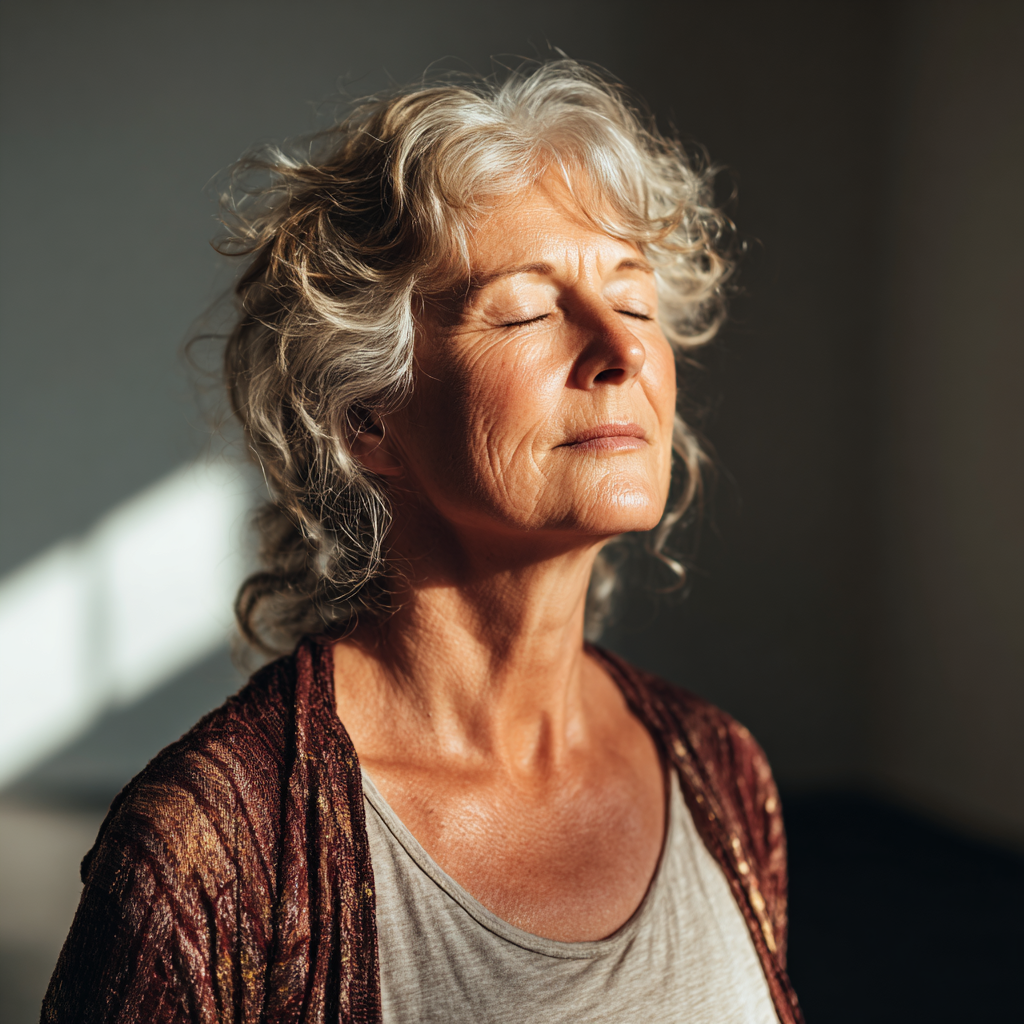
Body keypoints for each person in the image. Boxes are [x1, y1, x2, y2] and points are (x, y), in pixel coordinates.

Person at [42, 61, 802, 1023]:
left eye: (635, 302)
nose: (621, 350)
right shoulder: (206, 857)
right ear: (368, 417)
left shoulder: (720, 770)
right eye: (528, 310)